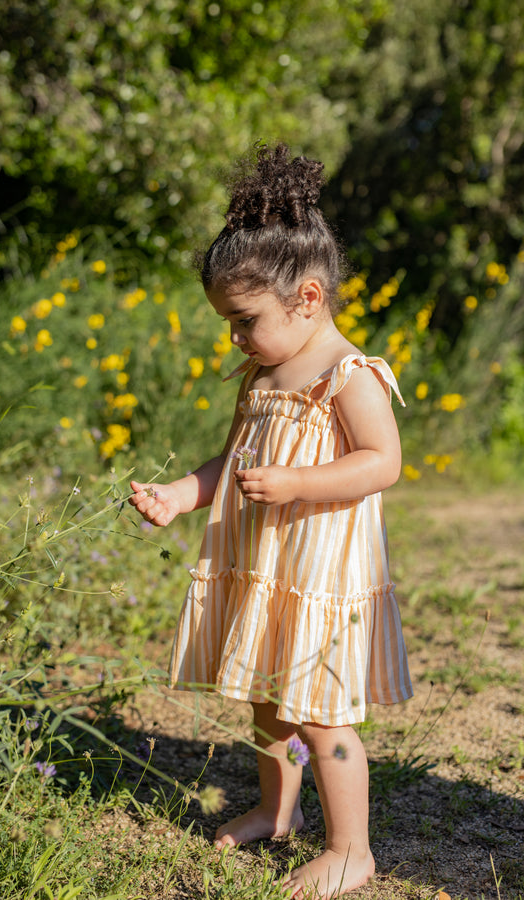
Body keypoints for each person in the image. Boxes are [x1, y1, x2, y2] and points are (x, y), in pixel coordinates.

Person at [129, 143, 412, 899]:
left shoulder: (348, 376)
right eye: (228, 322)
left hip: (319, 572)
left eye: (244, 320)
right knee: (267, 700)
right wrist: (181, 494)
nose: (235, 338)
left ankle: (353, 851)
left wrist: (296, 481)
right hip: (270, 571)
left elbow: (381, 462)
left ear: (309, 298)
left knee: (321, 717)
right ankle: (275, 809)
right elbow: (231, 461)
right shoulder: (260, 376)